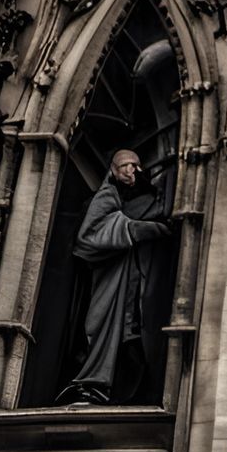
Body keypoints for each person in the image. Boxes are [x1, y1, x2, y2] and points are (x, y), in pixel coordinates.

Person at [58, 148, 176, 406]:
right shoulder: (106, 195)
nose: (132, 169)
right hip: (107, 280)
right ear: (113, 169)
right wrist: (142, 229)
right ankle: (92, 381)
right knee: (99, 326)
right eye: (126, 165)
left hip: (122, 281)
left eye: (136, 165)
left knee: (126, 335)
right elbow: (87, 237)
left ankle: (108, 385)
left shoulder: (125, 199)